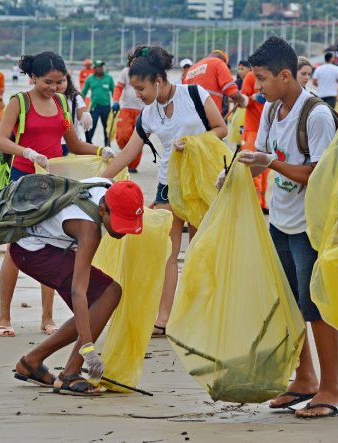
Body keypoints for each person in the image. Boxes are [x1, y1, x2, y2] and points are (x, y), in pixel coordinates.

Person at [232, 36, 338, 420]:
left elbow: (319, 175)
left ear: (285, 74)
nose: (256, 86)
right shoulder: (270, 109)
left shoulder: (316, 115)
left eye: (261, 78)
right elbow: (263, 158)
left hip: (310, 227)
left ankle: (331, 388)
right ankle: (304, 378)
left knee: (315, 307)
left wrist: (271, 164)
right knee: (290, 304)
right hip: (279, 221)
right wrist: (233, 174)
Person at [102, 45, 227, 338]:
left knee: (198, 252)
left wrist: (193, 142)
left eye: (141, 88)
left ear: (158, 79)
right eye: (134, 89)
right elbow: (128, 152)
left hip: (200, 183)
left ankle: (198, 315)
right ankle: (163, 317)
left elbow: (220, 128)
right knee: (167, 253)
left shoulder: (195, 95)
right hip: (168, 184)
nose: (138, 94)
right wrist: (97, 179)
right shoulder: (148, 115)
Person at [0, 51, 115, 338]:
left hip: (55, 183)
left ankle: (47, 317)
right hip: (24, 183)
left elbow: (73, 143)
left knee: (51, 246)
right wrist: (26, 151)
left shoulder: (61, 103)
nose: (54, 87)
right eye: (48, 82)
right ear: (33, 77)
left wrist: (100, 150)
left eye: (59, 82)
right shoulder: (18, 102)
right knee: (16, 249)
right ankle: (4, 316)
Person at [11, 178, 145, 395]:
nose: (123, 232)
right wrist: (89, 351)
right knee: (108, 294)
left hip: (44, 244)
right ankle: (70, 375)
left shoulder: (106, 187)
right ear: (102, 210)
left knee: (99, 304)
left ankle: (32, 362)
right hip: (32, 252)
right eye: (119, 223)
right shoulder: (89, 229)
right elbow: (78, 292)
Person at [240, 70, 267, 213]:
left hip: (267, 129)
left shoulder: (271, 74)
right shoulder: (251, 77)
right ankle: (255, 204)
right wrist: (253, 98)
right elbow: (242, 101)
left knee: (266, 168)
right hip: (252, 129)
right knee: (253, 167)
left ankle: (262, 203)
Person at [112, 60, 145, 173]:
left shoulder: (147, 72)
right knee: (122, 135)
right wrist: (116, 100)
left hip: (142, 110)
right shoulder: (126, 71)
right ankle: (126, 154)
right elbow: (118, 88)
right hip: (126, 108)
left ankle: (132, 165)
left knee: (138, 139)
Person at [82, 60, 115, 144]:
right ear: (95, 68)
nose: (101, 68)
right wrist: (79, 105)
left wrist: (116, 103)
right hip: (94, 107)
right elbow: (83, 93)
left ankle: (107, 146)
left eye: (102, 66)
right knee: (90, 127)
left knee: (107, 128)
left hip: (106, 107)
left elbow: (114, 92)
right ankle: (88, 145)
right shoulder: (89, 79)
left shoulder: (109, 78)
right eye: (99, 67)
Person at [58, 72, 91, 154]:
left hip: (72, 141)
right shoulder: (48, 98)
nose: (62, 85)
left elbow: (81, 118)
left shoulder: (76, 98)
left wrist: (86, 116)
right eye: (59, 82)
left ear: (68, 81)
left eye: (64, 81)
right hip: (54, 142)